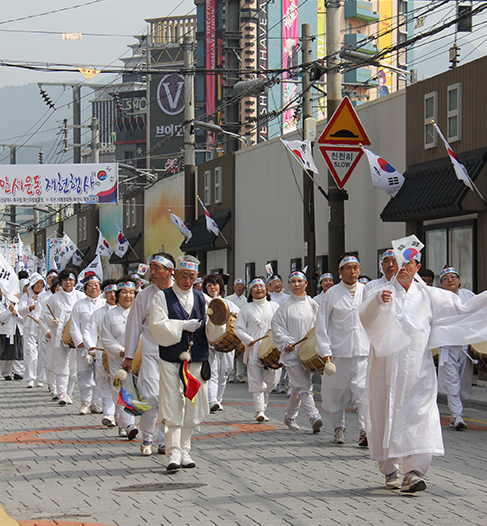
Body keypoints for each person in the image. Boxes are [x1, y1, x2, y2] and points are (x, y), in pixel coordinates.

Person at [359, 250, 487, 493]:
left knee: (421, 415)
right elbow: (364, 317)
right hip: (385, 368)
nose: (403, 267)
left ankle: (414, 472)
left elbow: (464, 309)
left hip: (419, 369)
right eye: (398, 263)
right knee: (385, 413)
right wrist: (378, 303)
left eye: (409, 263)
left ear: (418, 267)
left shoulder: (430, 295)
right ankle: (390, 469)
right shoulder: (380, 292)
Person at [149, 255, 225, 472]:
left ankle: (185, 449)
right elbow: (157, 325)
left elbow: (213, 331)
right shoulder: (162, 298)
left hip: (196, 359)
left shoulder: (203, 299)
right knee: (172, 402)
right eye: (183, 275)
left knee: (193, 403)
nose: (187, 281)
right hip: (171, 358)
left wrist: (217, 322)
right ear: (175, 274)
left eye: (192, 277)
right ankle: (172, 451)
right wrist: (182, 325)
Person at [122, 253, 176, 456]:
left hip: (175, 355)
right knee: (150, 395)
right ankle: (147, 437)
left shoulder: (181, 293)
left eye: (156, 268)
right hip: (151, 354)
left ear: (170, 271)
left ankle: (164, 441)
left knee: (170, 399)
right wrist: (129, 355)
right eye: (150, 267)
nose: (151, 272)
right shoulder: (144, 295)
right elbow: (133, 327)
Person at [316, 254, 370, 446]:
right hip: (337, 352)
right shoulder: (331, 294)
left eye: (356, 267)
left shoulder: (367, 291)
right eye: (348, 268)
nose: (353, 271)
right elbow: (321, 322)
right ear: (340, 272)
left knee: (363, 393)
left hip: (363, 351)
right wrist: (325, 348)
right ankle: (339, 428)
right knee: (336, 392)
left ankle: (365, 431)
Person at [271, 271, 323, 434]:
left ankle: (289, 416)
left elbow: (320, 326)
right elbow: (277, 327)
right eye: (293, 281)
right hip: (292, 352)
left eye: (300, 281)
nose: (296, 284)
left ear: (306, 284)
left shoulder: (312, 304)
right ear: (289, 285)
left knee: (298, 387)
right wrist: (287, 342)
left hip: (309, 352)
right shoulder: (284, 306)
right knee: (305, 386)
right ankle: (314, 416)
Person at [234, 278, 280, 422]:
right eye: (255, 286)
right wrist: (248, 339)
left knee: (272, 382)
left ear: (266, 289)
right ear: (250, 290)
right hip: (254, 349)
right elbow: (238, 328)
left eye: (261, 286)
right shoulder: (246, 309)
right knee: (256, 381)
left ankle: (262, 406)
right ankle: (259, 411)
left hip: (272, 350)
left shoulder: (275, 306)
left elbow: (282, 324)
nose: (259, 288)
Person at [437, 266, 474, 430]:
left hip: (465, 345)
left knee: (464, 384)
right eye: (446, 278)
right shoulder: (438, 298)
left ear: (458, 280)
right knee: (452, 382)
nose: (450, 280)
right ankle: (457, 415)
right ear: (442, 284)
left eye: (453, 277)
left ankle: (458, 411)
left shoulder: (468, 295)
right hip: (447, 346)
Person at [100, 278, 138, 438]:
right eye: (124, 292)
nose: (128, 296)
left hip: (137, 362)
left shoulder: (139, 314)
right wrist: (121, 351)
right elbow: (106, 338)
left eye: (131, 293)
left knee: (135, 392)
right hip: (117, 363)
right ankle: (129, 425)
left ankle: (123, 422)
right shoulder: (109, 316)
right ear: (117, 295)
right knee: (119, 391)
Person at [43, 268, 85, 406]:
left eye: (71, 280)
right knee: (61, 364)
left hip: (75, 336)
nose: (68, 282)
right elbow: (45, 314)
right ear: (61, 282)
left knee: (73, 366)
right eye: (66, 280)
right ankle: (61, 393)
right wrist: (52, 321)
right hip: (58, 335)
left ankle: (69, 392)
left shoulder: (80, 297)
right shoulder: (54, 298)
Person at [69, 274, 105, 415]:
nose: (93, 288)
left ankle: (96, 403)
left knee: (100, 375)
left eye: (96, 285)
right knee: (84, 374)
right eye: (90, 285)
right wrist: (80, 342)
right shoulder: (79, 305)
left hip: (101, 346)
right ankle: (85, 402)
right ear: (85, 288)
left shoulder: (104, 304)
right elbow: (74, 326)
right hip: (84, 347)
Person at [202, 274, 239, 412]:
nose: (213, 287)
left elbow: (240, 317)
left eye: (215, 284)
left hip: (226, 343)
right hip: (209, 342)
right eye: (209, 285)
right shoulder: (203, 302)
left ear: (220, 287)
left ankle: (219, 399)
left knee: (225, 371)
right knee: (212, 371)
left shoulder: (229, 303)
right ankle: (212, 400)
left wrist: (234, 314)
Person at [87, 279, 118, 428]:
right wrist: (91, 347)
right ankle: (108, 413)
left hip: (120, 354)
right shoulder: (98, 313)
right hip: (102, 352)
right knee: (104, 382)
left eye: (115, 292)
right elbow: (89, 331)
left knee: (118, 383)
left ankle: (121, 416)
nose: (113, 295)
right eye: (109, 292)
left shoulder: (126, 311)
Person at [18, 273, 45, 388]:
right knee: (30, 352)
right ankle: (30, 378)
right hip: (29, 326)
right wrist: (30, 307)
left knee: (42, 352)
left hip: (42, 326)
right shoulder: (26, 296)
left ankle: (40, 378)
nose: (39, 286)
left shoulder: (45, 296)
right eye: (36, 283)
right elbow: (21, 310)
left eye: (41, 283)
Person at [226, 279, 248, 383]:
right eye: (237, 285)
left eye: (241, 285)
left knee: (240, 351)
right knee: (230, 351)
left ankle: (239, 375)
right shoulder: (228, 299)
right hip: (231, 327)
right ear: (234, 287)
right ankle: (231, 374)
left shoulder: (247, 301)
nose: (239, 287)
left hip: (243, 328)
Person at [0, 288, 24, 380]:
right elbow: (2, 318)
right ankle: (6, 372)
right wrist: (9, 311)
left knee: (18, 352)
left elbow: (24, 318)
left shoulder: (19, 304)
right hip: (5, 331)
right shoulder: (3, 304)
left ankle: (18, 372)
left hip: (17, 330)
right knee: (6, 353)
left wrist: (16, 314)